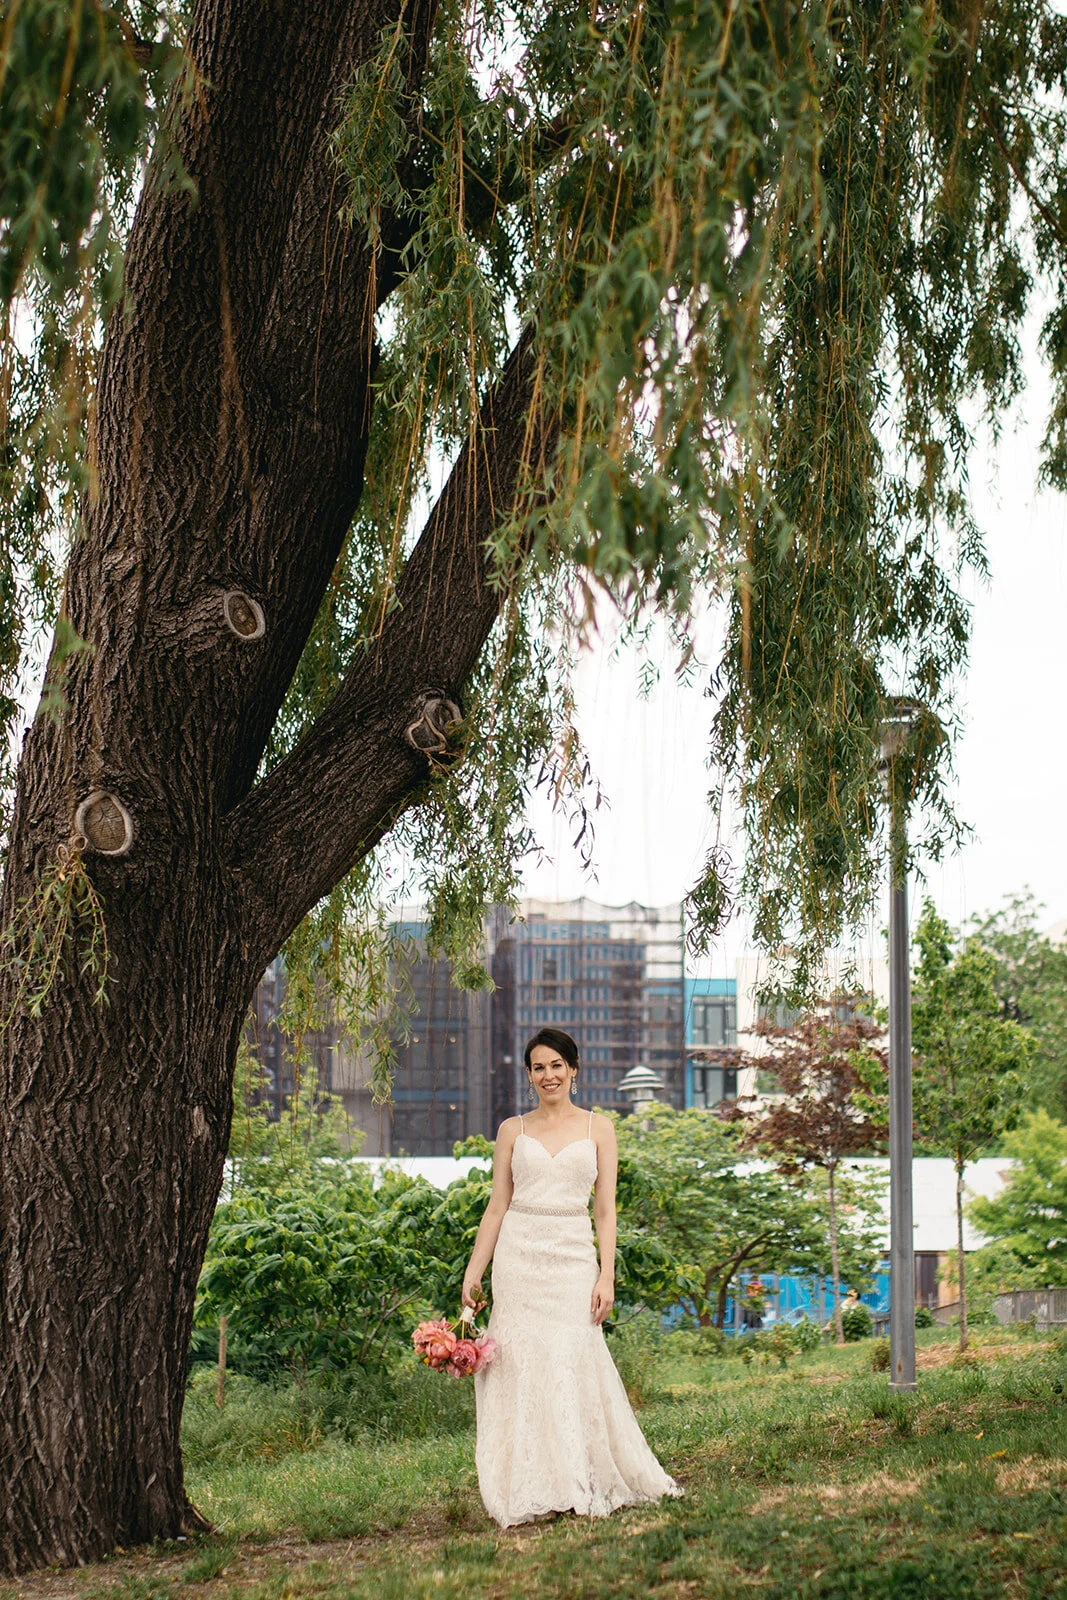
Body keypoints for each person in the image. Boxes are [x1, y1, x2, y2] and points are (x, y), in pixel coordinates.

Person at [462, 1026, 682, 1527]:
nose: (548, 1075)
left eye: (556, 1065)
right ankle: (530, 1481)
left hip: (572, 1255)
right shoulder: (511, 1130)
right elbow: (496, 1207)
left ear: (573, 1070)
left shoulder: (599, 1129)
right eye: (538, 1067)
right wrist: (474, 1274)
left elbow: (605, 1212)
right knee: (521, 1363)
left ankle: (576, 1476)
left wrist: (606, 1275)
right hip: (518, 1256)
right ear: (528, 1075)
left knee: (569, 1357)